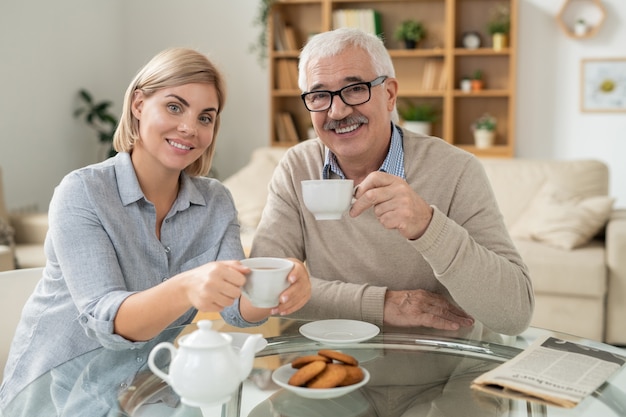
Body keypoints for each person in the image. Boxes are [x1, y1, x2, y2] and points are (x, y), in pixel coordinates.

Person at [0, 47, 310, 413]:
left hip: (146, 392)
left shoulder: (215, 202)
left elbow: (236, 311)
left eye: (205, 118)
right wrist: (187, 286)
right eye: (175, 107)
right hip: (57, 397)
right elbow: (107, 321)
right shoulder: (83, 192)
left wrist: (281, 282)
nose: (189, 128)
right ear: (138, 104)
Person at [250, 28, 533, 336]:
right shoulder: (297, 167)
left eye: (355, 88)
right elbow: (263, 295)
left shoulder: (456, 170)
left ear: (390, 94)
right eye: (319, 95)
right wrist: (382, 304)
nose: (337, 110)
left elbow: (515, 315)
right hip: (332, 365)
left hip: (440, 373)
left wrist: (428, 226)